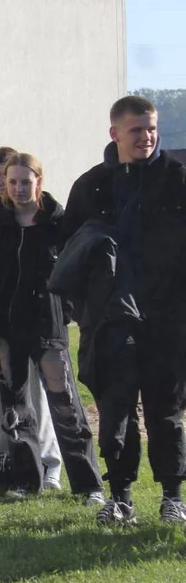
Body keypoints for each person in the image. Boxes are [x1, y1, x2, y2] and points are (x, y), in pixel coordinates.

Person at [59, 95, 186, 526]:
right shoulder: (92, 186)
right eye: (137, 129)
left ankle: (172, 496)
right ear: (115, 133)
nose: (147, 136)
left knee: (165, 412)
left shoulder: (178, 177)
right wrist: (85, 312)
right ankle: (121, 497)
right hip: (110, 322)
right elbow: (69, 255)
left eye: (151, 128)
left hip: (168, 320)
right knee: (116, 412)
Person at [0, 153, 104, 502]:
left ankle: (89, 487)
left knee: (65, 405)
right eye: (12, 182)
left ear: (39, 182)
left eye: (25, 181)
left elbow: (78, 271)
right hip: (5, 329)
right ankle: (27, 481)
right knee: (15, 407)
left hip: (47, 327)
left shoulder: (58, 222)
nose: (18, 188)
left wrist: (67, 311)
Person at [0, 147, 64, 490]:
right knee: (2, 394)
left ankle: (49, 461)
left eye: (1, 177)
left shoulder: (48, 216)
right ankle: (5, 459)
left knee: (41, 394)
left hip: (38, 322)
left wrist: (63, 312)